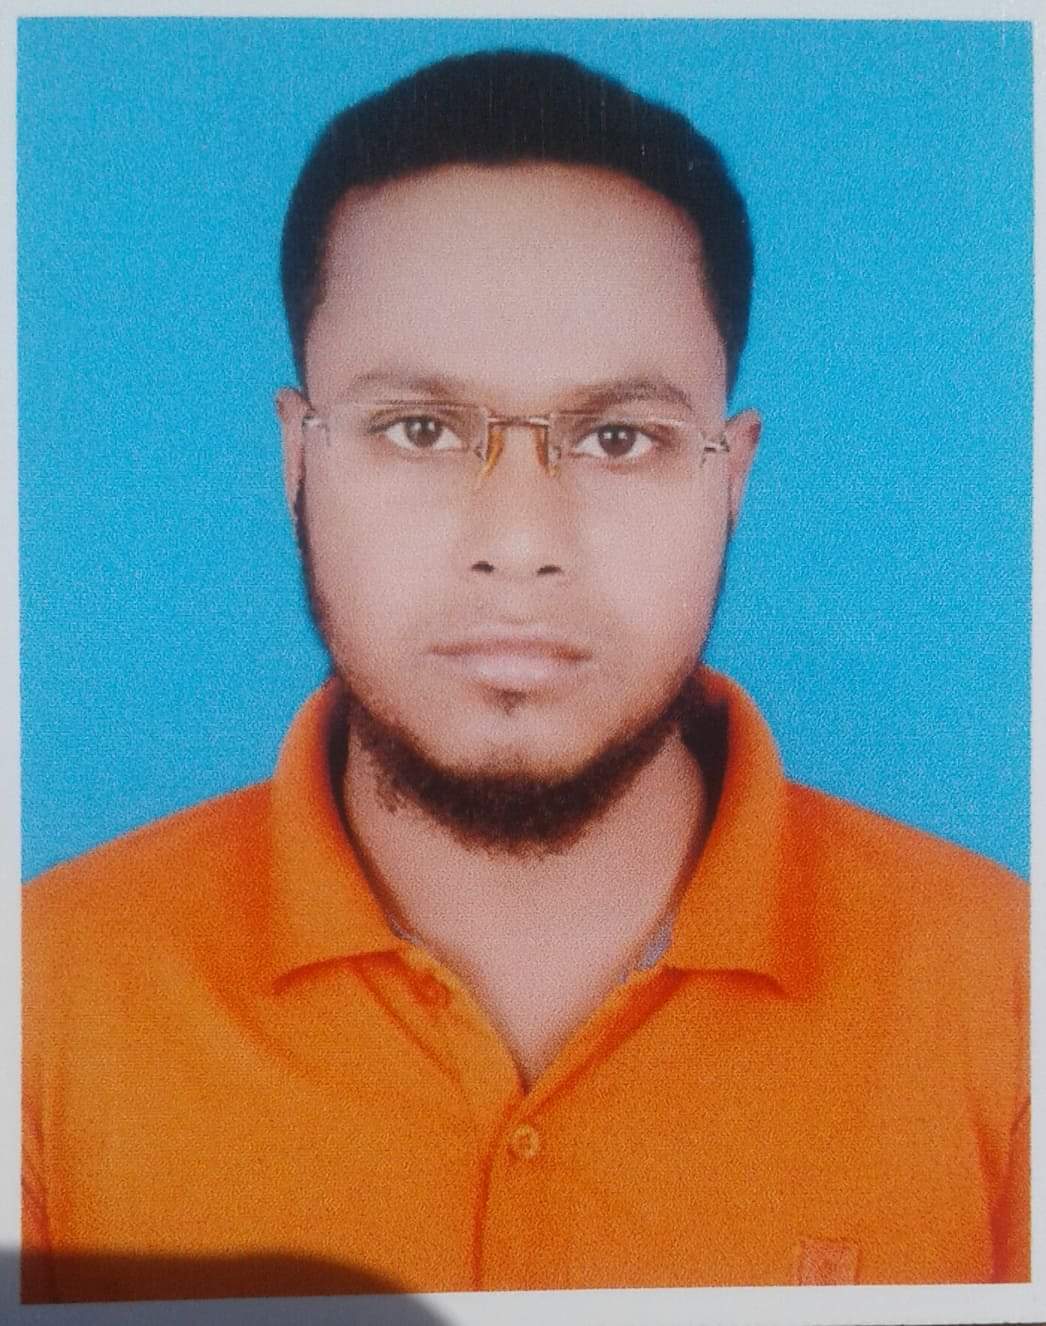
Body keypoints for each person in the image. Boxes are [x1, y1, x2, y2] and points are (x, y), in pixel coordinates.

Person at [22, 48, 1028, 1304]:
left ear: (729, 477)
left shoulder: (1002, 993)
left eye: (617, 437)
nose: (518, 542)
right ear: (298, 460)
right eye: (418, 429)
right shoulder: (42, 999)